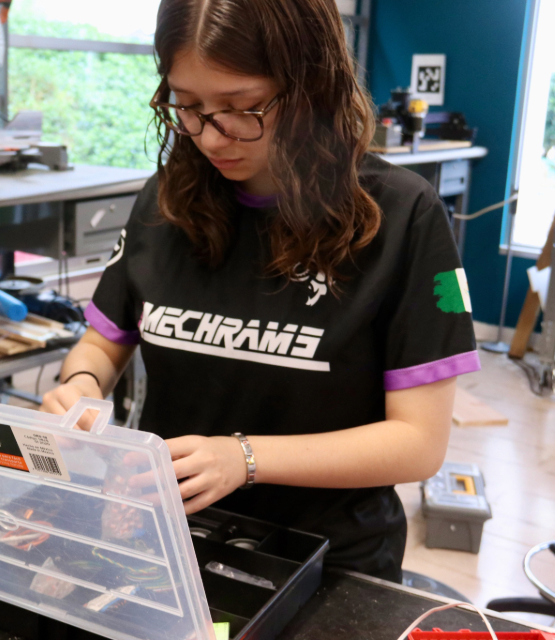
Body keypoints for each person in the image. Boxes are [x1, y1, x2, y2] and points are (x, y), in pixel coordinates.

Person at [41, 0, 480, 582]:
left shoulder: (403, 215)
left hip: (326, 561)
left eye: (243, 108)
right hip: (174, 541)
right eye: (188, 106)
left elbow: (418, 444)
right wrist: (80, 387)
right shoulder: (167, 200)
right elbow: (102, 344)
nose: (211, 136)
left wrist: (244, 458)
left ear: (312, 84)